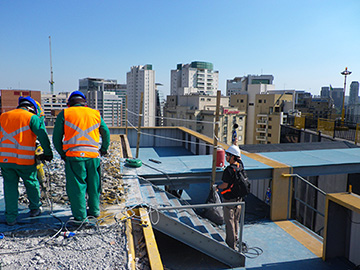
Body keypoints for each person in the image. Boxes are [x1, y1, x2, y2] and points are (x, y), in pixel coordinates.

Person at [52, 91, 110, 222]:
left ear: (69, 103)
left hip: (74, 156)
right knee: (94, 185)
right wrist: (104, 149)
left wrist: (62, 154)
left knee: (77, 187)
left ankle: (80, 216)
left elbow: (56, 138)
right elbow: (105, 132)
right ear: (84, 103)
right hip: (93, 156)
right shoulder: (95, 113)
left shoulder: (65, 114)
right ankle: (94, 211)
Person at [0, 96, 53, 226]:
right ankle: (35, 209)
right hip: (25, 160)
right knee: (31, 183)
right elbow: (43, 136)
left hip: (5, 160)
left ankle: (11, 218)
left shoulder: (3, 117)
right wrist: (48, 153)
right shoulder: (32, 118)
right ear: (31, 108)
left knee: (10, 187)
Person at [216, 145, 244, 250]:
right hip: (239, 199)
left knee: (229, 222)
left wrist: (217, 187)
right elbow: (239, 157)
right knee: (236, 220)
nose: (226, 157)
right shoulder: (240, 165)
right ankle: (236, 240)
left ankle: (231, 245)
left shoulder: (228, 170)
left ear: (233, 157)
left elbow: (225, 185)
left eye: (228, 155)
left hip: (230, 200)